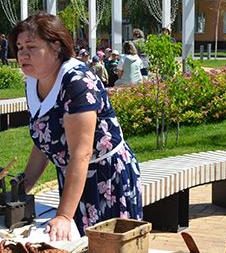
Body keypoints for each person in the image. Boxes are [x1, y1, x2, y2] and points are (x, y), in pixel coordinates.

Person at [11, 12, 143, 240]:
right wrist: (19, 192)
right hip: (75, 178)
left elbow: (81, 153)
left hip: (107, 179)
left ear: (56, 47)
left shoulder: (77, 82)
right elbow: (44, 142)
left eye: (31, 46)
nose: (23, 53)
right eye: (19, 46)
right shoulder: (34, 82)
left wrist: (63, 215)